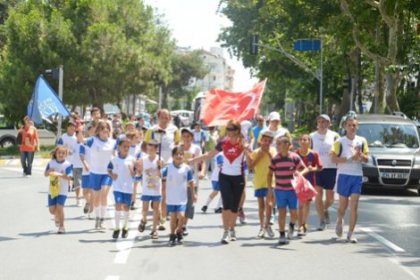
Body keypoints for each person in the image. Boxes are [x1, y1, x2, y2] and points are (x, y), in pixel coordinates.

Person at [191, 120, 247, 244]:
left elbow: (251, 158)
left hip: (238, 177)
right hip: (225, 177)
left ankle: (232, 228)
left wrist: (248, 149)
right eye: (228, 129)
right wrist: (195, 159)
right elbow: (209, 154)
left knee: (234, 207)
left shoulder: (243, 143)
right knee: (226, 206)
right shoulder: (223, 143)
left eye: (232, 129)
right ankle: (226, 231)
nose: (230, 132)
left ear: (238, 130)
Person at [331, 113, 368, 243]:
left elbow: (367, 159)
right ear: (345, 126)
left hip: (357, 175)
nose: (352, 127)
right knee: (343, 205)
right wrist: (349, 158)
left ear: (357, 126)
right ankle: (339, 219)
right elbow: (333, 159)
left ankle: (351, 234)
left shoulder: (362, 141)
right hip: (343, 175)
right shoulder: (339, 142)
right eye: (349, 125)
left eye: (354, 125)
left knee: (354, 205)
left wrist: (361, 156)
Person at [144, 109, 181, 231]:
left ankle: (163, 219)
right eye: (162, 117)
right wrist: (150, 158)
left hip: (168, 164)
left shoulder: (175, 130)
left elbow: (177, 146)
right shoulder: (151, 130)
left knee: (164, 192)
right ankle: (157, 212)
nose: (165, 119)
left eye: (167, 117)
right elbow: (145, 146)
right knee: (155, 191)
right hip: (154, 164)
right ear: (158, 117)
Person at [268, 136, 308, 245]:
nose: (277, 146)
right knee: (282, 212)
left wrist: (299, 173)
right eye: (277, 144)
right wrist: (270, 189)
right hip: (280, 189)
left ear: (287, 145)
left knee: (294, 213)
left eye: (279, 144)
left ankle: (291, 226)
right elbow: (270, 173)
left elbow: (305, 168)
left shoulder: (294, 157)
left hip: (292, 190)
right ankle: (282, 235)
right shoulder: (275, 159)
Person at [310, 114, 340, 230]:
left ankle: (325, 209)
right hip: (317, 169)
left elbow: (339, 151)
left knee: (330, 199)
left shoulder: (335, 136)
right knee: (318, 196)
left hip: (332, 169)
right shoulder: (312, 136)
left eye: (324, 122)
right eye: (320, 122)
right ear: (317, 123)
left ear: (329, 123)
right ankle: (322, 220)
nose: (322, 124)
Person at [85, 120, 116, 230]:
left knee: (104, 194)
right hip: (95, 173)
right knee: (97, 198)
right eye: (102, 129)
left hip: (107, 173)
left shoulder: (113, 142)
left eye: (106, 129)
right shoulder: (92, 141)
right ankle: (97, 218)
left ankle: (102, 220)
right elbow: (80, 141)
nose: (105, 131)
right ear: (98, 131)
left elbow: (121, 151)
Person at [162, 146, 195, 246]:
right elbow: (162, 181)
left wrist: (194, 194)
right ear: (172, 156)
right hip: (171, 198)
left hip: (182, 198)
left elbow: (191, 183)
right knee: (172, 219)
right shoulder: (167, 169)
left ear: (183, 156)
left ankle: (179, 232)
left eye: (181, 154)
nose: (179, 156)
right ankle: (172, 235)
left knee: (181, 216)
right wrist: (163, 195)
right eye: (176, 154)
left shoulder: (187, 169)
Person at [245, 130, 276, 239]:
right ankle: (261, 227)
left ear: (271, 142)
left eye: (268, 141)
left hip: (270, 181)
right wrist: (258, 156)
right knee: (261, 206)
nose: (266, 143)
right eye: (264, 140)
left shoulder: (273, 151)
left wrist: (267, 153)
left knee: (269, 204)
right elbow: (250, 166)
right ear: (261, 141)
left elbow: (276, 163)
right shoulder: (256, 151)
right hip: (259, 181)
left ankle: (267, 225)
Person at [108, 137, 137, 239]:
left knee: (126, 207)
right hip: (117, 186)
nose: (126, 148)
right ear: (119, 147)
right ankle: (116, 228)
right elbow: (109, 169)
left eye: (128, 147)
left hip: (128, 187)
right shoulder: (114, 159)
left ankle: (125, 227)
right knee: (118, 204)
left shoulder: (132, 159)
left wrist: (132, 171)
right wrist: (112, 175)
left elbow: (135, 173)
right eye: (124, 146)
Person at [296, 134, 323, 236]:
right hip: (298, 182)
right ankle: (300, 225)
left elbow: (320, 167)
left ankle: (304, 224)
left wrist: (313, 169)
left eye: (305, 140)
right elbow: (291, 166)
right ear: (299, 142)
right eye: (301, 139)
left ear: (309, 142)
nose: (303, 141)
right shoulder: (296, 154)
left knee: (306, 204)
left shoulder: (314, 154)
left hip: (310, 181)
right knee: (300, 204)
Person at [180, 127, 205, 235]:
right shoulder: (177, 148)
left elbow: (202, 161)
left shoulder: (196, 148)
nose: (186, 138)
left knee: (189, 203)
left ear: (192, 137)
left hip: (192, 180)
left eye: (189, 136)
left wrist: (202, 172)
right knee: (179, 203)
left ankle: (184, 225)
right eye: (184, 136)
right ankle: (179, 223)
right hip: (179, 180)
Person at [137, 139, 163, 239]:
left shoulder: (160, 160)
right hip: (146, 189)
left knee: (156, 209)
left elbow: (161, 175)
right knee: (145, 209)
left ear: (156, 149)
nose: (150, 151)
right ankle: (143, 220)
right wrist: (138, 169)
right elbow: (139, 172)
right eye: (148, 149)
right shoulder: (143, 159)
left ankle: (154, 230)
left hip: (157, 189)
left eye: (152, 149)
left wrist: (160, 167)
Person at [44, 145, 73, 234]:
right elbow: (45, 174)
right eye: (59, 153)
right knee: (52, 210)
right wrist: (49, 171)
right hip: (52, 189)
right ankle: (56, 216)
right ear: (55, 153)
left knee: (60, 207)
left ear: (66, 154)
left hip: (63, 190)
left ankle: (62, 226)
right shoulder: (51, 163)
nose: (61, 154)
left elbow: (70, 177)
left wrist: (63, 176)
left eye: (63, 153)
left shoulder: (68, 165)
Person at [79, 121, 97, 217]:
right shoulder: (84, 143)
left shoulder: (98, 142)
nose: (93, 133)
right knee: (85, 192)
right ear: (88, 132)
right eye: (91, 131)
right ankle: (89, 202)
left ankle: (91, 207)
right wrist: (85, 163)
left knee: (92, 190)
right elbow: (81, 155)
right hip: (86, 170)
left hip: (95, 170)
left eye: (95, 131)